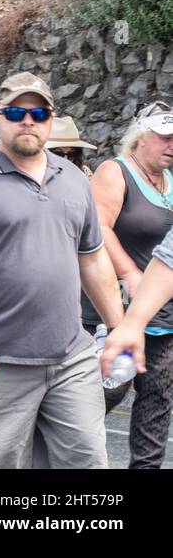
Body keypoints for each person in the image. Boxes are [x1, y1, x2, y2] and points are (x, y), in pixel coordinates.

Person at [0, 72, 124, 469]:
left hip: (71, 358)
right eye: (17, 112)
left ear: (51, 119)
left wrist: (118, 328)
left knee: (88, 463)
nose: (28, 121)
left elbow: (92, 257)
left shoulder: (72, 178)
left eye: (39, 113)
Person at [82, 101, 173, 467]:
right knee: (102, 397)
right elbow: (98, 230)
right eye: (165, 137)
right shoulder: (114, 172)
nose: (172, 145)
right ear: (140, 138)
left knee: (156, 407)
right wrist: (130, 274)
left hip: (163, 318)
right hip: (114, 312)